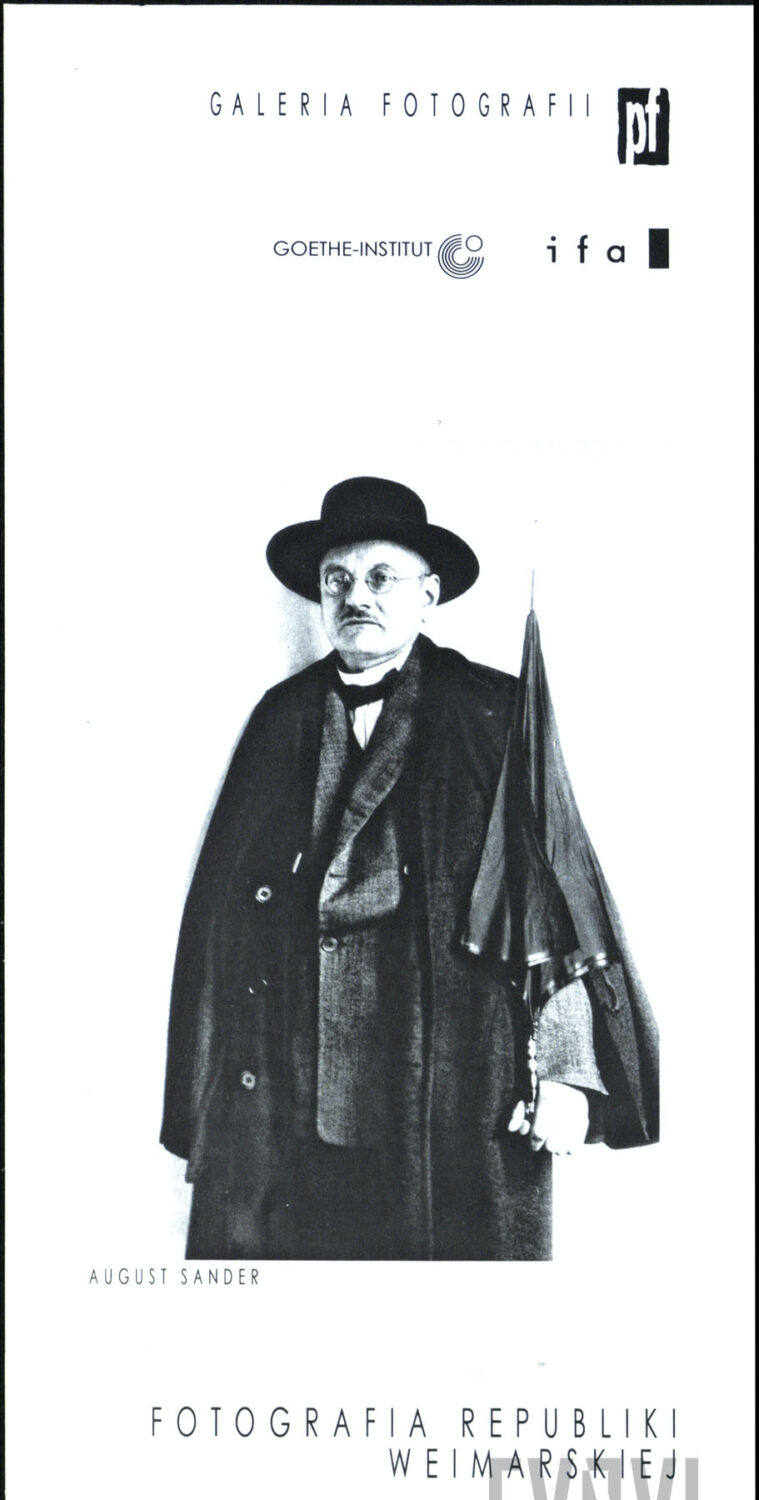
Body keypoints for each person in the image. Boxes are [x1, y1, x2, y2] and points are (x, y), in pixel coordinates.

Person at [161, 475, 658, 1260]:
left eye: (380, 577)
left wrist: (567, 1072)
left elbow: (551, 896)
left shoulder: (492, 711)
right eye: (336, 580)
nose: (355, 596)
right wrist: (204, 1097)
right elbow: (219, 925)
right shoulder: (279, 717)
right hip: (287, 1087)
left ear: (428, 597)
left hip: (449, 1074)